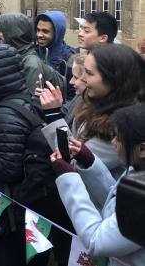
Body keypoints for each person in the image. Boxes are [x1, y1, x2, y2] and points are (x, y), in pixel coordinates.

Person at [0, 43, 69, 266]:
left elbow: (9, 168)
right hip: (31, 212)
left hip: (14, 216)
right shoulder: (25, 100)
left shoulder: (5, 112)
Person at [51, 104, 145, 266]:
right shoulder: (138, 167)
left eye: (119, 138)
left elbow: (97, 241)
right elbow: (117, 203)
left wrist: (69, 180)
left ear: (142, 149)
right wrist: (90, 162)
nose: (114, 143)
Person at [71, 44, 145, 178]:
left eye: (89, 73)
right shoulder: (95, 104)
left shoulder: (122, 126)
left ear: (113, 79)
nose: (83, 79)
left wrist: (53, 116)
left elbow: (74, 165)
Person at [0, 13, 65, 94]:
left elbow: (29, 102)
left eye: (2, 30)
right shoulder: (23, 55)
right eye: (37, 30)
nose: (39, 35)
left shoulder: (32, 64)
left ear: (13, 33)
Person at [35, 10, 76, 76]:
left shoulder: (70, 60)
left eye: (45, 31)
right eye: (38, 30)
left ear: (57, 33)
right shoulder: (33, 53)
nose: (39, 35)